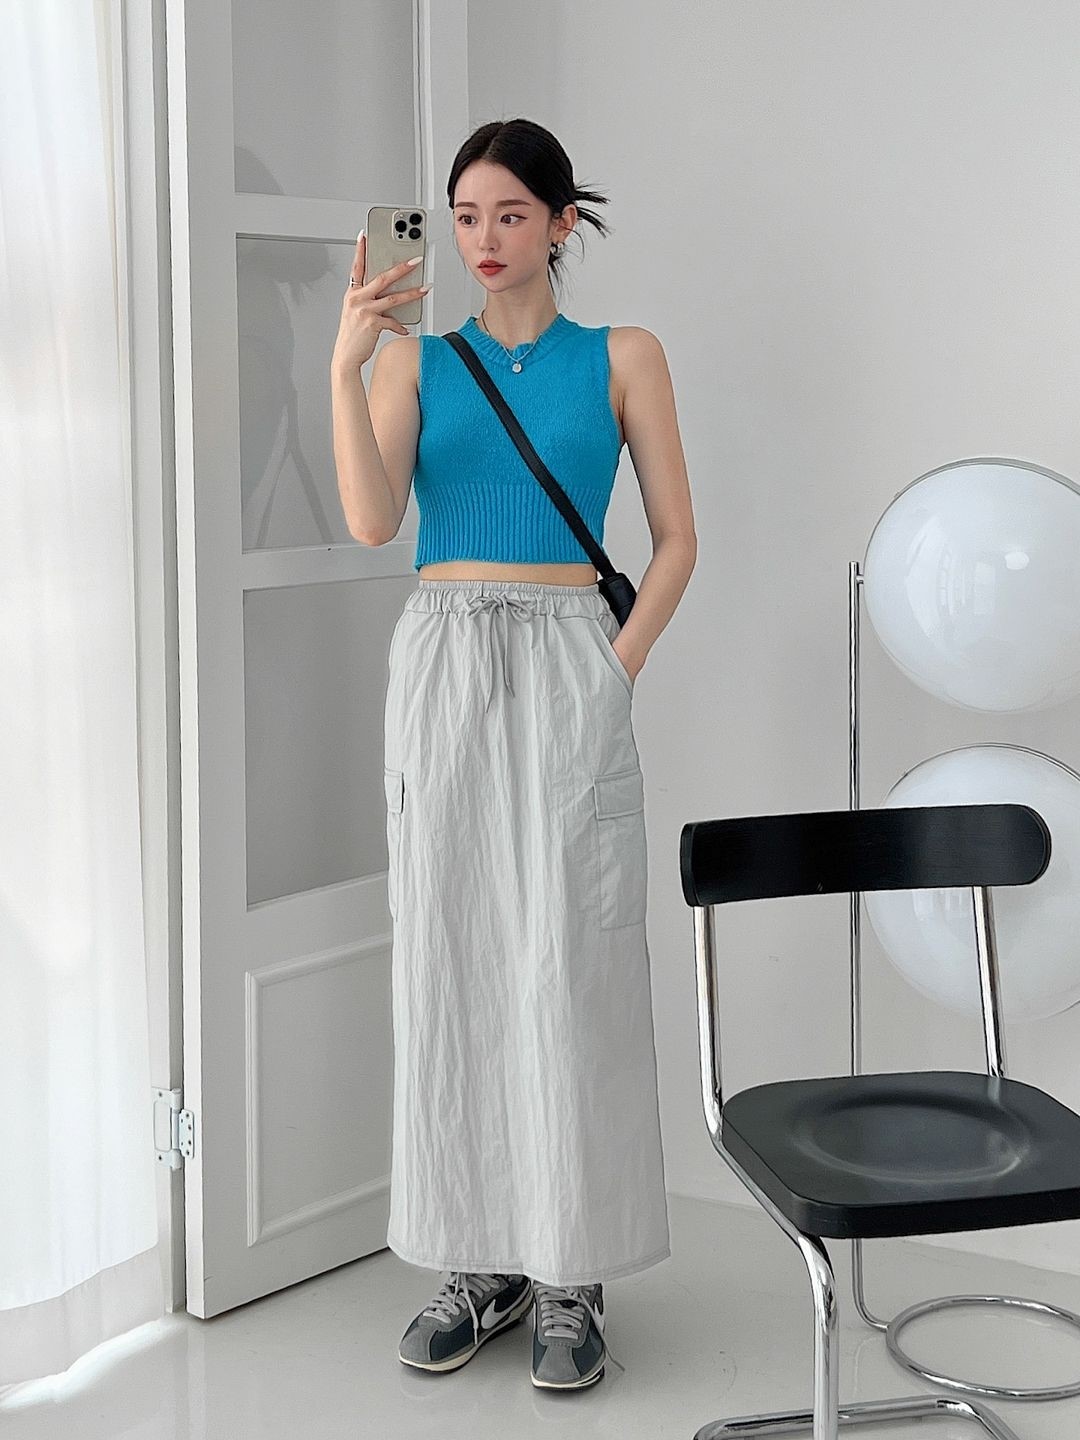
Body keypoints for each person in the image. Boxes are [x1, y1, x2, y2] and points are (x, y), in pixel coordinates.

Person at [330, 118, 697, 1392]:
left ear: (560, 223)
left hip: (566, 658)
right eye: (465, 216)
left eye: (509, 214)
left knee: (570, 964)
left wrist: (612, 667)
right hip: (442, 662)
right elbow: (373, 520)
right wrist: (345, 365)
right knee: (453, 958)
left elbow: (677, 540)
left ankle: (571, 1271)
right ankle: (478, 1260)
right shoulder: (418, 363)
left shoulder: (623, 356)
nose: (483, 239)